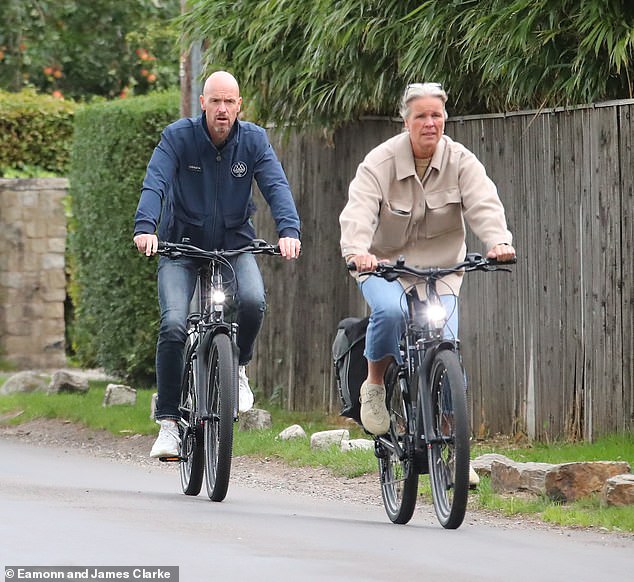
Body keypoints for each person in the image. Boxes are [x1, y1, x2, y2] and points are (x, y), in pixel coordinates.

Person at [339, 82, 515, 485]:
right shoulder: (379, 163)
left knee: (446, 343)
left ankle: (454, 445)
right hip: (385, 269)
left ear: (444, 119)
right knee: (389, 311)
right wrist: (357, 250)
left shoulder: (460, 161)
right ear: (406, 121)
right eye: (421, 115)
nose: (430, 123)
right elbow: (358, 212)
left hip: (442, 273)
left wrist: (498, 241)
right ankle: (375, 384)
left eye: (436, 115)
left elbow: (484, 202)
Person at [134, 70, 301, 459]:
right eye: (216, 101)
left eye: (230, 102)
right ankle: (169, 423)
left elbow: (276, 186)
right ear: (203, 103)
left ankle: (237, 366)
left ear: (239, 106)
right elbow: (155, 181)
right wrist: (146, 227)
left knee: (254, 301)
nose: (223, 109)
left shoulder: (254, 141)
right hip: (181, 247)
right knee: (175, 324)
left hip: (234, 247)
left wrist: (289, 230)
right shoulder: (178, 137)